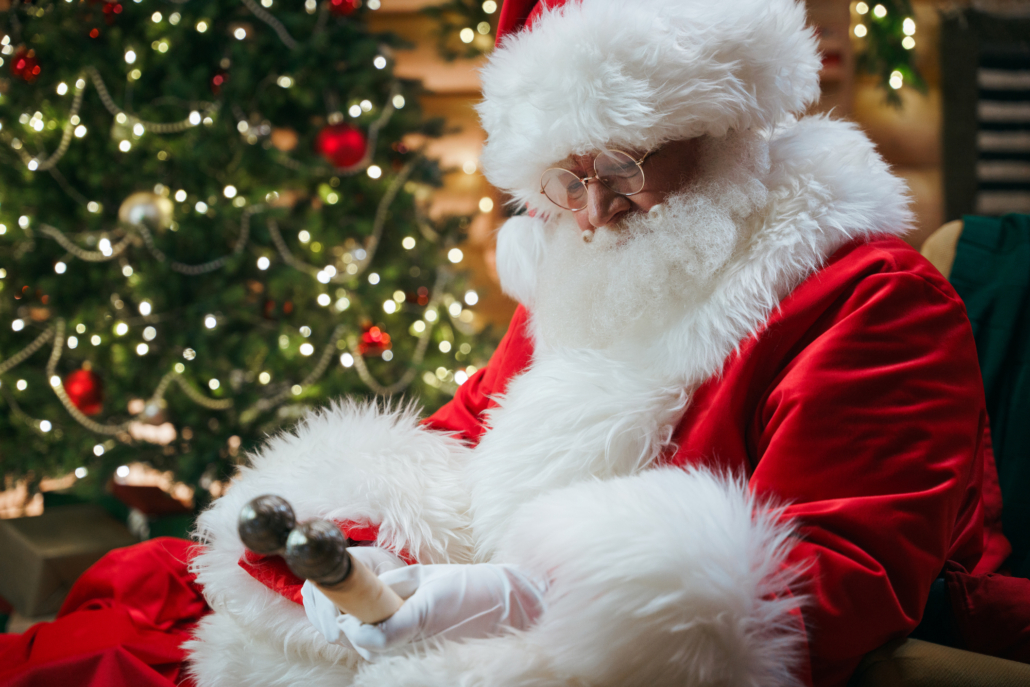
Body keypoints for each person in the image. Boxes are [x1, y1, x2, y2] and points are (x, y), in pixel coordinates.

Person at [184, 1, 1010, 686]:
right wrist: (360, 549)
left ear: (720, 130)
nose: (592, 212)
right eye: (565, 180)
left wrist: (522, 597)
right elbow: (466, 433)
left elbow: (832, 583)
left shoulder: (874, 300)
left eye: (620, 164)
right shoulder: (593, 269)